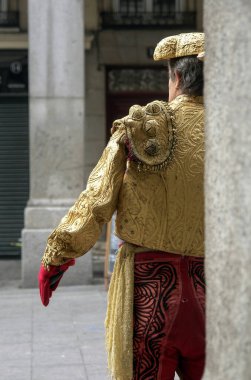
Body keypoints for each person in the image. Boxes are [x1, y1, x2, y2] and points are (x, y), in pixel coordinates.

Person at [38, 32, 205, 380]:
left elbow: (96, 200)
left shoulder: (144, 127)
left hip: (150, 291)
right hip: (215, 291)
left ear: (175, 77)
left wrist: (57, 257)